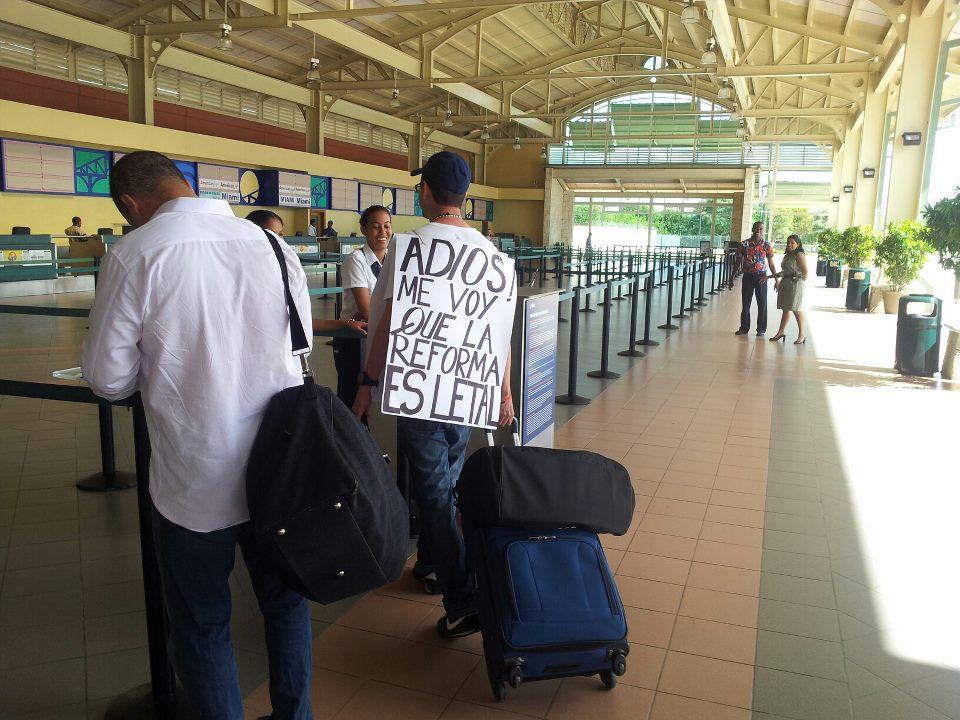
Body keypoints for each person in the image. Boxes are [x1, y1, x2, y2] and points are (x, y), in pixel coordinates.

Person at [81, 151, 314, 720]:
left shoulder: (135, 254)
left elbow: (108, 379)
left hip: (194, 479)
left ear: (131, 204)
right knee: (286, 605)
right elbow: (300, 344)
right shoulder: (272, 245)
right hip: (278, 470)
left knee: (203, 623)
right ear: (182, 184)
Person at [352, 151, 515, 639]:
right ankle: (432, 561)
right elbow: (498, 334)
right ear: (465, 196)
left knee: (435, 491)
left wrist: (366, 385)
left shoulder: (408, 249)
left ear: (425, 190)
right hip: (465, 390)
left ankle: (462, 597)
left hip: (419, 390)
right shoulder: (493, 257)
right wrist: (504, 393)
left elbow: (385, 326)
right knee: (448, 479)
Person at [246, 210, 366, 340]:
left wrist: (346, 324)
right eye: (271, 235)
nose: (278, 240)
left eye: (280, 234)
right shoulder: (245, 275)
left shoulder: (290, 271)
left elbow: (301, 320)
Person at [333, 204, 390, 408]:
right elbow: (366, 310)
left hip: (376, 336)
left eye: (387, 226)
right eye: (375, 226)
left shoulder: (392, 260)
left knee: (369, 398)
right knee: (351, 399)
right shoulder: (356, 260)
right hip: (353, 338)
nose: (382, 232)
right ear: (364, 229)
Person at [731, 221, 779, 337]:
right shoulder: (744, 244)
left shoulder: (766, 245)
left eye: (761, 229)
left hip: (762, 277)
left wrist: (776, 279)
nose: (758, 231)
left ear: (763, 230)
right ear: (752, 229)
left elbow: (771, 264)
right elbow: (738, 261)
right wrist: (731, 277)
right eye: (756, 228)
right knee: (746, 303)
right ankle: (744, 328)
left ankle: (761, 329)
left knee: (762, 304)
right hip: (748, 277)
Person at [770, 234, 808, 344]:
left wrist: (798, 282)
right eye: (788, 243)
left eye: (792, 243)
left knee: (796, 308)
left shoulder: (799, 255)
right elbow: (784, 272)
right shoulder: (787, 255)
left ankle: (802, 335)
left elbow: (805, 273)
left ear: (798, 244)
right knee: (786, 309)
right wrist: (770, 277)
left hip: (795, 285)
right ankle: (780, 332)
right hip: (786, 283)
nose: (789, 245)